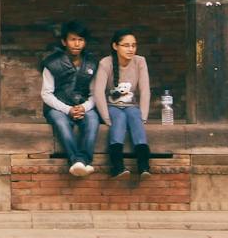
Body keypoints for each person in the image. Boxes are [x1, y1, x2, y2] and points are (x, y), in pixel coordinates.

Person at [39, 21, 98, 176]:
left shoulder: (91, 63)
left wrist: (84, 107)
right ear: (64, 41)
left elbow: (95, 93)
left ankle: (82, 161)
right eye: (73, 39)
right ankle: (76, 161)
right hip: (58, 107)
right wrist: (67, 109)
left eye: (81, 40)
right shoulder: (52, 63)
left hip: (83, 106)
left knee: (93, 121)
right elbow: (46, 94)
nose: (77, 44)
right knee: (61, 122)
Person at [91, 28, 152, 178]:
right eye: (126, 45)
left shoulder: (140, 61)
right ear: (115, 46)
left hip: (131, 106)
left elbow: (145, 90)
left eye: (133, 45)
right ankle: (118, 166)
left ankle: (144, 166)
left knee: (135, 118)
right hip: (112, 107)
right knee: (119, 119)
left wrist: (143, 116)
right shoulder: (106, 63)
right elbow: (98, 92)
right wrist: (106, 118)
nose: (131, 49)